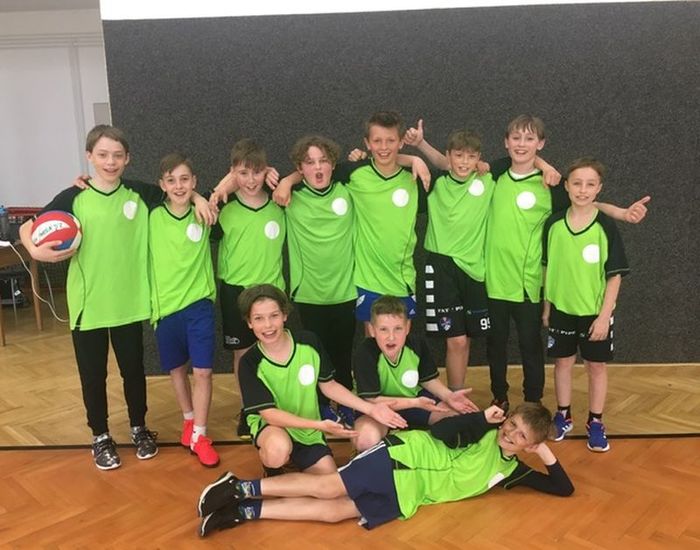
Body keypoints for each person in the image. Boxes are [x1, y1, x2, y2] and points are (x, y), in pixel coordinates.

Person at [18, 125, 213, 470]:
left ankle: (139, 428)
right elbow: (28, 227)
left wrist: (199, 198)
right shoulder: (73, 196)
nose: (110, 162)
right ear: (90, 157)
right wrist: (35, 250)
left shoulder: (140, 193)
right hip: (88, 305)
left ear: (127, 159)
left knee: (133, 371)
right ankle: (100, 436)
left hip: (130, 303)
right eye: (103, 155)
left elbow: (178, 191)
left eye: (117, 155)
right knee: (93, 376)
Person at [196, 402, 574, 537]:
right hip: (400, 458)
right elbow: (441, 432)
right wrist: (481, 419)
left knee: (334, 513)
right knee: (329, 487)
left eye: (521, 436)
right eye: (511, 424)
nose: (510, 434)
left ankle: (245, 512)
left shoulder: (512, 471)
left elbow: (563, 488)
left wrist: (542, 449)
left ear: (528, 445)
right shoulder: (484, 430)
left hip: (409, 494)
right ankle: (240, 488)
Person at [483, 115, 649, 412]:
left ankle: (533, 403)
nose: (522, 144)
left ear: (541, 143)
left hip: (529, 283)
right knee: (495, 344)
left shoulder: (551, 185)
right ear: (506, 142)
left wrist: (622, 213)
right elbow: (457, 165)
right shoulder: (495, 173)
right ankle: (500, 397)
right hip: (494, 280)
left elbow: (586, 204)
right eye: (516, 138)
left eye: (530, 138)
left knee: (530, 345)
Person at [272, 112, 430, 334]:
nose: (384, 147)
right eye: (377, 141)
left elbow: (454, 171)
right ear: (367, 143)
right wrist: (287, 181)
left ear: (401, 142)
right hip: (367, 280)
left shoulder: (415, 178)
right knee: (372, 343)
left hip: (403, 279)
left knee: (399, 341)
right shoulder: (354, 172)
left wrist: (417, 157)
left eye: (391, 140)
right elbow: (316, 170)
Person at [236, 284, 407, 476]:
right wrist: (320, 425)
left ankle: (294, 464)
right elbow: (270, 415)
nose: (268, 325)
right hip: (274, 429)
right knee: (278, 449)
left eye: (274, 316)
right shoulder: (250, 362)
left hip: (308, 432)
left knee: (330, 480)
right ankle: (272, 468)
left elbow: (329, 386)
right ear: (249, 322)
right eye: (259, 318)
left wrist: (371, 409)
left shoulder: (308, 342)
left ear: (284, 315)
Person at [402, 122, 497, 392]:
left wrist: (545, 166)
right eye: (458, 155)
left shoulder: (488, 179)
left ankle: (459, 394)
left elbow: (526, 160)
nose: (464, 162)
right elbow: (389, 160)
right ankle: (454, 399)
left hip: (474, 270)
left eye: (471, 156)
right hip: (442, 268)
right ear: (448, 156)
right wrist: (417, 150)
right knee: (455, 340)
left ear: (479, 158)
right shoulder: (435, 182)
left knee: (466, 340)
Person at [542, 158, 629, 452]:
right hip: (561, 310)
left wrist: (604, 317)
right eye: (577, 183)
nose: (583, 190)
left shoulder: (605, 225)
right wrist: (547, 306)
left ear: (599, 188)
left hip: (594, 313)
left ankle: (595, 421)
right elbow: (548, 268)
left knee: (596, 366)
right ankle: (563, 415)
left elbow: (614, 276)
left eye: (590, 184)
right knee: (562, 363)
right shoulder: (553, 224)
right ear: (566, 186)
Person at [211, 138, 286, 439]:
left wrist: (283, 179)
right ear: (232, 174)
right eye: (243, 173)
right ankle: (248, 409)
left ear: (266, 171)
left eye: (257, 172)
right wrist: (223, 186)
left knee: (275, 350)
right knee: (243, 354)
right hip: (236, 291)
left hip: (272, 291)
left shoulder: (281, 203)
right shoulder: (223, 208)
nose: (251, 180)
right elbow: (200, 203)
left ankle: (277, 407)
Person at [148, 153, 219, 466]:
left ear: (194, 181)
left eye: (185, 179)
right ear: (162, 184)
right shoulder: (151, 217)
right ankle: (189, 420)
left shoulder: (205, 214)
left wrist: (200, 198)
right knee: (177, 370)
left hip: (198, 305)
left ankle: (200, 434)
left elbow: (233, 180)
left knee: (203, 371)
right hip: (165, 309)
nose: (179, 186)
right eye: (172, 180)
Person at [285, 136, 357, 426]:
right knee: (315, 356)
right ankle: (320, 405)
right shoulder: (289, 196)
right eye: (310, 162)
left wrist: (414, 158)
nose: (318, 168)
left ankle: (346, 404)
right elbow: (246, 176)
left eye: (323, 161)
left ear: (333, 165)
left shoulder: (348, 188)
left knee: (342, 354)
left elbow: (381, 162)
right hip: (310, 293)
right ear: (299, 168)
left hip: (346, 291)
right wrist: (286, 181)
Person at [353, 295, 478, 451]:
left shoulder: (416, 345)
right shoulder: (365, 353)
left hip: (416, 403)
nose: (391, 337)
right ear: (372, 330)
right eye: (383, 329)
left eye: (398, 329)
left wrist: (448, 396)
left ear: (407, 327)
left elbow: (428, 380)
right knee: (365, 439)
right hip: (379, 409)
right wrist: (415, 403)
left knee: (460, 420)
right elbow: (372, 400)